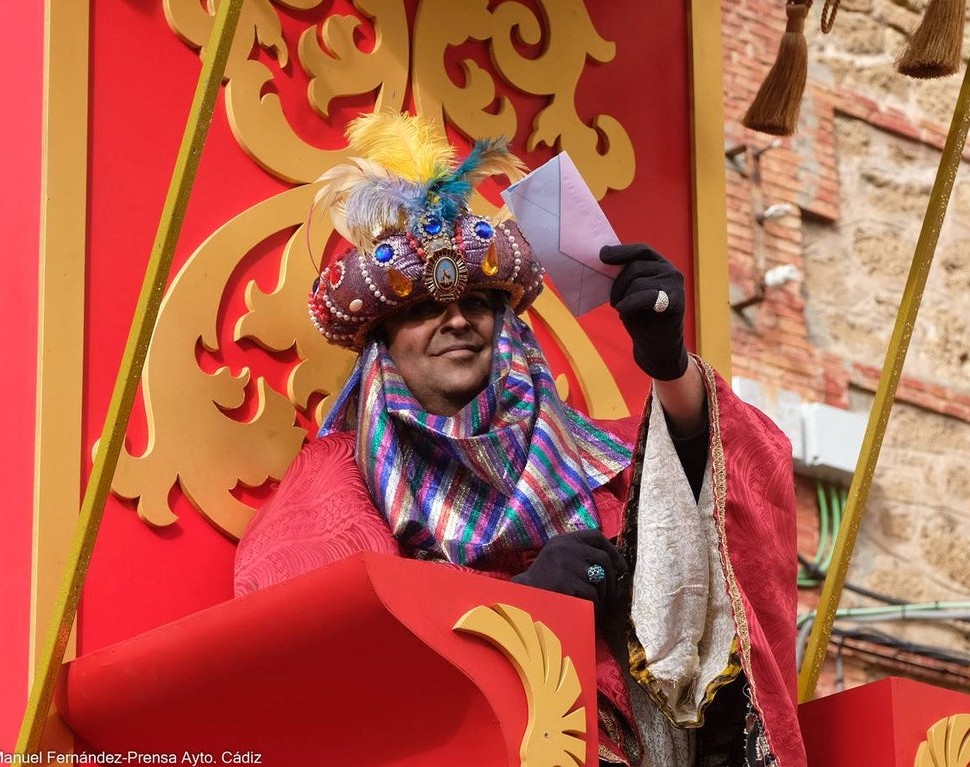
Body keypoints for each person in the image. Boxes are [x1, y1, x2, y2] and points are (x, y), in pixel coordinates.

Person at [233, 112, 805, 767]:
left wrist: (669, 365)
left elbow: (727, 496)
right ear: (381, 343)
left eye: (476, 302)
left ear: (504, 324)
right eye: (422, 308)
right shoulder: (338, 480)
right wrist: (518, 605)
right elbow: (324, 656)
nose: (455, 320)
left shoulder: (602, 461)